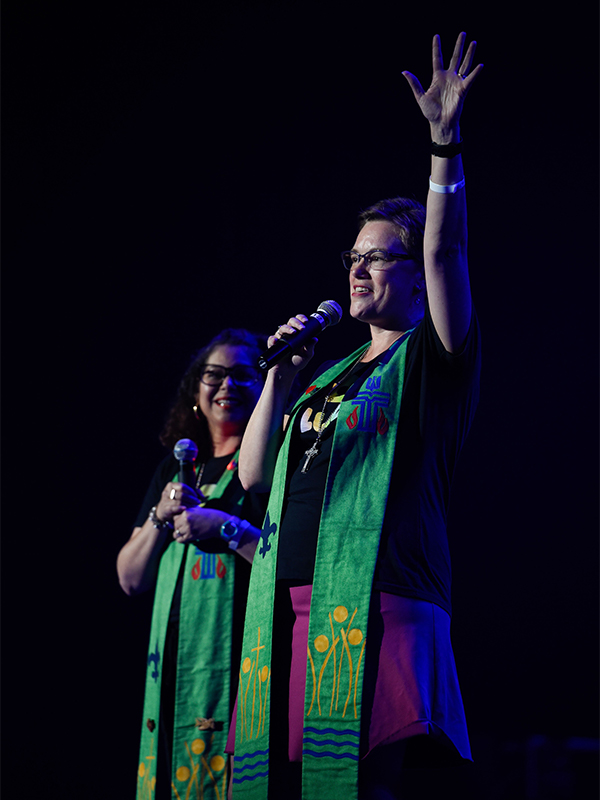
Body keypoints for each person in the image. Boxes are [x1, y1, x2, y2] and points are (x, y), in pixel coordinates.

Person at [230, 33, 483, 800]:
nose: (358, 268)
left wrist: (444, 144)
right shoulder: (329, 372)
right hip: (295, 604)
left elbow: (446, 254)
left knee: (361, 790)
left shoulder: (434, 355)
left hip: (380, 599)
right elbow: (249, 477)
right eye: (352, 256)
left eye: (378, 257)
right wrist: (282, 380)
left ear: (412, 282)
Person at [117, 328, 269, 800]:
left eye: (244, 376)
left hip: (240, 668)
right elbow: (130, 578)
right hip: (171, 673)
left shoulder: (270, 466)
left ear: (265, 390)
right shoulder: (173, 470)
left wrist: (224, 527)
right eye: (215, 375)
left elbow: (284, 564)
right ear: (196, 391)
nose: (228, 385)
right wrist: (160, 516)